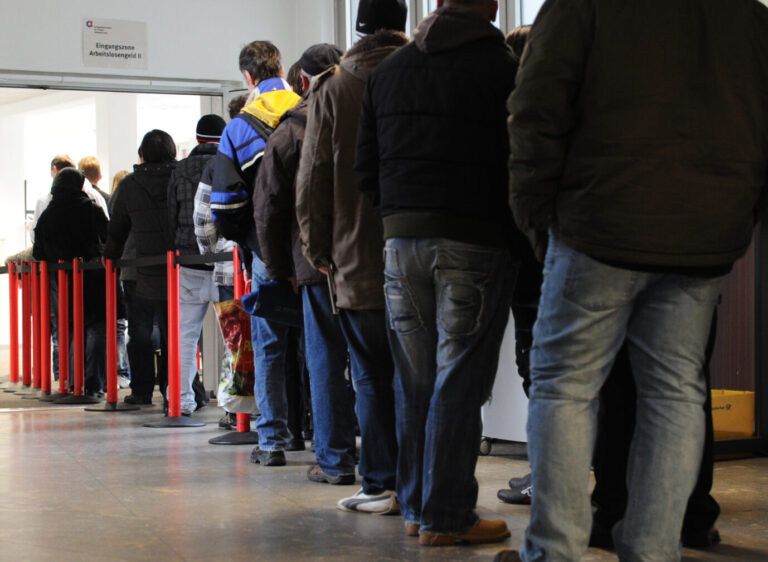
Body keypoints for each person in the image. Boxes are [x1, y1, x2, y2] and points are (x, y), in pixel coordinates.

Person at [503, 1, 768, 560]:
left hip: (598, 222)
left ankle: (556, 551)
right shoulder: (747, 14)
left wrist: (538, 218)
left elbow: (534, 110)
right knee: (675, 394)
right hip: (705, 230)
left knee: (565, 386)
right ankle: (653, 552)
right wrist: (739, 213)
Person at [355, 0, 521, 544]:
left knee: (415, 378)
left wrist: (398, 216)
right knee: (459, 379)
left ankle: (416, 506)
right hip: (475, 237)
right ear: (491, 7)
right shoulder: (502, 69)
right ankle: (446, 517)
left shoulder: (390, 71)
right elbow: (519, 156)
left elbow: (366, 167)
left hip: (401, 241)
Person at [296, 0, 407, 513]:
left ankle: (379, 481)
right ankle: (422, 486)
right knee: (422, 373)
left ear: (357, 29)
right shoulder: (422, 69)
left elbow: (315, 173)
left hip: (355, 249)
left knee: (368, 373)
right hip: (422, 243)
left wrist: (316, 247)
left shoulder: (335, 86)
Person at [253, 44, 350, 475]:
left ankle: (334, 458)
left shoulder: (290, 130)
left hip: (314, 264)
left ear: (304, 83)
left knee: (324, 357)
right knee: (371, 361)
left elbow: (268, 206)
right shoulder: (367, 113)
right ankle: (384, 458)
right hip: (369, 258)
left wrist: (278, 270)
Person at [212, 40, 301, 466]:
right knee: (320, 342)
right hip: (317, 249)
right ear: (282, 68)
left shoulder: (238, 129)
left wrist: (247, 240)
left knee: (270, 345)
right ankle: (326, 440)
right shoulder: (310, 107)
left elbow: (225, 204)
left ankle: (273, 440)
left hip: (267, 249)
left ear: (248, 78)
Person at [104, 130, 177, 407]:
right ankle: (176, 390)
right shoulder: (179, 177)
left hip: (140, 272)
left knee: (140, 332)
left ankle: (142, 391)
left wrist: (111, 255)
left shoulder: (130, 184)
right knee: (176, 331)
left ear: (142, 155)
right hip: (178, 268)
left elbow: (117, 226)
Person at [168, 114, 227, 416]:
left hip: (188, 263)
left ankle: (181, 401)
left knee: (185, 336)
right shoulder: (228, 164)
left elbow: (170, 215)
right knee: (233, 337)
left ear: (197, 138)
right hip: (223, 263)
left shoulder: (180, 169)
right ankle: (235, 408)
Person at [32, 168, 109, 397]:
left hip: (62, 285)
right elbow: (108, 239)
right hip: (93, 282)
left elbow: (39, 253)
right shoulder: (91, 210)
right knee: (96, 330)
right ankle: (93, 383)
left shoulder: (47, 216)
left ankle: (70, 382)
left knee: (69, 332)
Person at [194, 100, 242, 430]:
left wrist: (216, 255)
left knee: (235, 341)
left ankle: (234, 412)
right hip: (270, 263)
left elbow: (202, 220)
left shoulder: (220, 161)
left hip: (229, 266)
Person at [111, 170, 132, 390]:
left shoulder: (121, 197)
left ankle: (123, 372)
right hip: (135, 266)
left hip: (127, 268)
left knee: (124, 326)